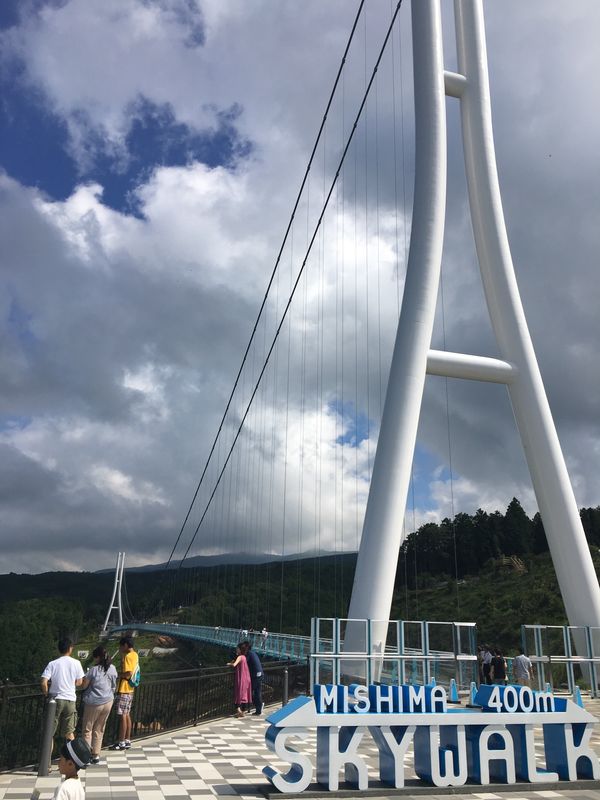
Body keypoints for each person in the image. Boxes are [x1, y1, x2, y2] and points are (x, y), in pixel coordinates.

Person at [41, 639, 85, 754]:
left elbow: (43, 682)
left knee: (50, 732)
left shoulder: (53, 663)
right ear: (70, 648)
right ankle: (71, 759)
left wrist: (47, 695)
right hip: (70, 699)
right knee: (69, 732)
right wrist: (70, 683)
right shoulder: (76, 663)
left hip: (55, 699)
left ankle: (47, 763)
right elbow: (80, 681)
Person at [81, 646, 118, 763]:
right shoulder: (112, 668)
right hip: (108, 700)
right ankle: (96, 754)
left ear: (97, 657)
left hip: (94, 702)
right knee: (99, 728)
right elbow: (113, 685)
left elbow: (83, 685)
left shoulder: (93, 670)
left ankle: (86, 755)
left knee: (88, 729)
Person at [109, 636, 139, 751]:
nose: (120, 648)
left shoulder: (128, 656)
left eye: (121, 646)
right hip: (130, 689)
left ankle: (121, 742)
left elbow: (128, 673)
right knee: (127, 714)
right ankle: (127, 740)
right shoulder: (135, 654)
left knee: (122, 716)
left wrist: (117, 674)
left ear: (126, 645)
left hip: (124, 688)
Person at [227, 644, 252, 718]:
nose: (236, 650)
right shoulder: (244, 657)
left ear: (240, 650)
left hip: (241, 678)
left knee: (238, 694)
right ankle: (243, 712)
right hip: (247, 678)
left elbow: (234, 664)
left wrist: (229, 663)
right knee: (244, 695)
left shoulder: (240, 657)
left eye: (237, 649)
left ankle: (239, 711)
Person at [241, 641, 263, 715]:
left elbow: (243, 662)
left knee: (248, 693)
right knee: (257, 692)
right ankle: (259, 708)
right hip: (259, 674)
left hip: (256, 676)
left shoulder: (249, 654)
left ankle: (244, 709)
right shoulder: (252, 653)